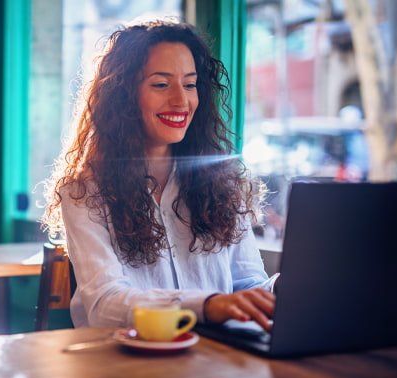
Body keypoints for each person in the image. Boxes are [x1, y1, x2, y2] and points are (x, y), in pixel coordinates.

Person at [42, 20, 276, 331]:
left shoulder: (225, 183)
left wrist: (284, 290)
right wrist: (206, 306)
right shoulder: (84, 192)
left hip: (215, 361)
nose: (181, 101)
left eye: (190, 84)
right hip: (121, 365)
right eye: (161, 84)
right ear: (123, 97)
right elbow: (105, 305)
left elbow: (249, 285)